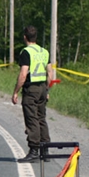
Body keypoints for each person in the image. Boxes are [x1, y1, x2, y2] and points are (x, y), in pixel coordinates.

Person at [12, 25, 53, 163]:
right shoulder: (44, 51)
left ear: (25, 37)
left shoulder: (26, 52)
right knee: (41, 118)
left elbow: (23, 74)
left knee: (32, 119)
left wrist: (16, 92)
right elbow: (50, 73)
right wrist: (47, 90)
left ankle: (34, 149)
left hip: (31, 89)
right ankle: (45, 149)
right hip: (42, 87)